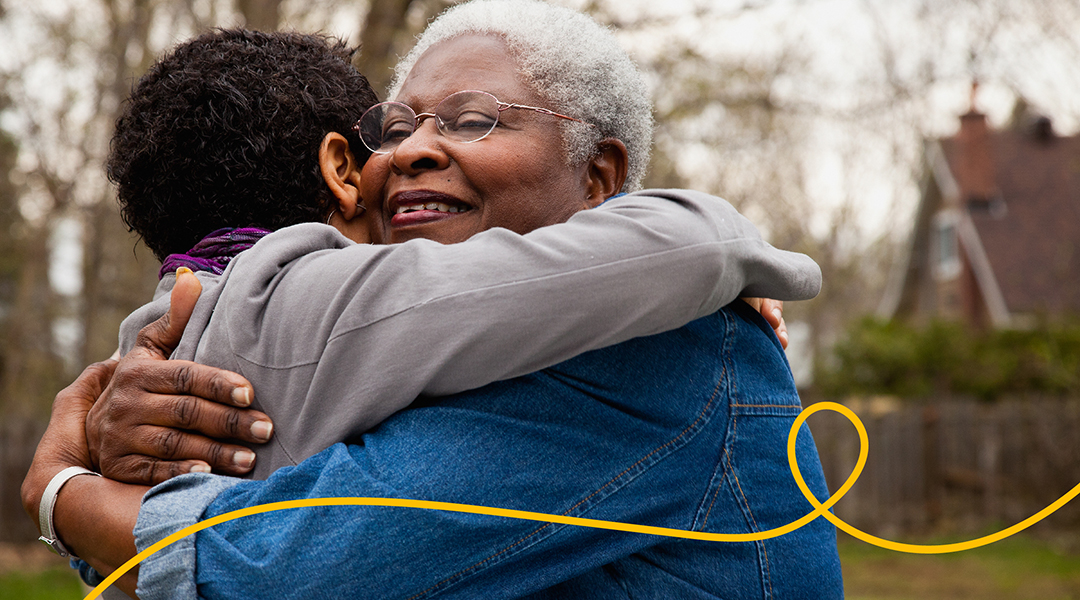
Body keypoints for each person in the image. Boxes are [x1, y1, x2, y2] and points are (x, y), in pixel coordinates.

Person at [23, 1, 842, 598]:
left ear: (599, 178)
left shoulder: (668, 346)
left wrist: (63, 489)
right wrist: (126, 424)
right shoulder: (423, 345)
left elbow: (286, 562)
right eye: (399, 126)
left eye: (473, 120)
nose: (414, 150)